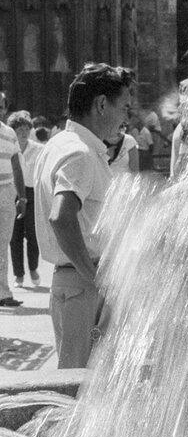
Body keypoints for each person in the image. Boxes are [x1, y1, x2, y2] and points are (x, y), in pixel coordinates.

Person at [34, 62, 134, 368]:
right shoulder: (80, 152)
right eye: (124, 108)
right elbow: (61, 217)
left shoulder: (59, 145)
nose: (126, 118)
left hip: (73, 282)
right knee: (80, 384)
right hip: (84, 283)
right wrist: (95, 278)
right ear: (101, 104)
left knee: (81, 379)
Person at [8, 112, 41, 287]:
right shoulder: (9, 147)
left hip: (32, 192)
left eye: (27, 129)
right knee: (15, 236)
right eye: (20, 129)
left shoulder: (38, 149)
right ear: (13, 131)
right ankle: (18, 275)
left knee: (33, 234)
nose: (24, 133)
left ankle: (33, 269)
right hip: (13, 191)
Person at [0, 92, 26, 307]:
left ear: (5, 109)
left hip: (6, 192)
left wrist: (22, 197)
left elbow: (16, 166)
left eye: (0, 106)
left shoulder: (9, 133)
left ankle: (3, 293)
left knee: (2, 243)